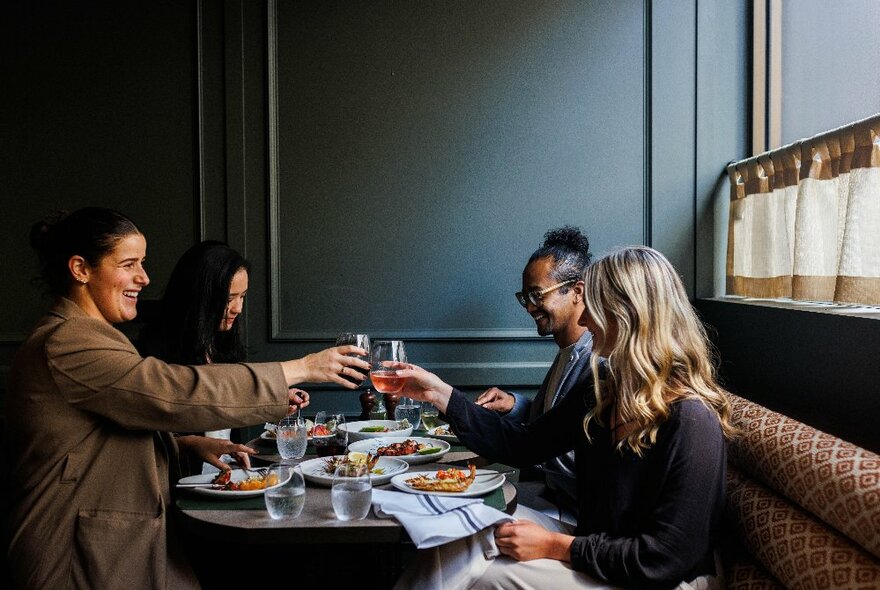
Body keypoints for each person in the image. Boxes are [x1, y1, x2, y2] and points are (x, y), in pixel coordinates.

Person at [4, 208, 369, 589]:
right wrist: (301, 367)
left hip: (116, 540)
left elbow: (102, 434)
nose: (144, 278)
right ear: (81, 269)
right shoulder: (68, 341)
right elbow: (170, 391)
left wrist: (187, 444)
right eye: (129, 264)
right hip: (71, 549)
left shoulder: (92, 335)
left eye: (142, 264)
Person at [393, 246, 736, 589]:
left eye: (595, 308)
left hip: (658, 578)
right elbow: (524, 444)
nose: (584, 320)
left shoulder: (692, 420)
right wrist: (439, 393)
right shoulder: (603, 390)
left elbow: (666, 557)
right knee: (460, 529)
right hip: (599, 545)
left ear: (629, 314)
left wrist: (555, 546)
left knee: (488, 576)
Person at [137, 240, 298, 473]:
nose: (238, 308)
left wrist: (275, 400)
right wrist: (189, 445)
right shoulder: (155, 348)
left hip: (227, 475)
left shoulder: (221, 342)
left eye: (242, 296)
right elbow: (148, 439)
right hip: (180, 483)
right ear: (200, 296)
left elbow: (227, 400)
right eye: (229, 298)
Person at [475, 226, 592, 518]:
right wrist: (517, 406)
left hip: (577, 512)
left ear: (577, 291)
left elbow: (558, 446)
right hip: (552, 496)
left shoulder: (595, 361)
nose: (529, 307)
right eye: (525, 296)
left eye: (537, 295)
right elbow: (558, 424)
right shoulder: (567, 351)